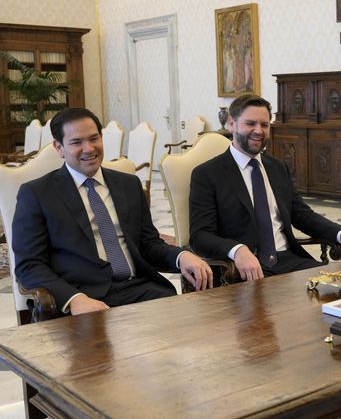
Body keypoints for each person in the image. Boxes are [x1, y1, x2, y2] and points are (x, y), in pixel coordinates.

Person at [13, 108, 213, 316]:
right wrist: (74, 300)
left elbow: (148, 244)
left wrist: (182, 256)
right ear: (59, 147)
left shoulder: (128, 184)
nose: (89, 148)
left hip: (141, 291)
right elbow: (29, 265)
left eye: (94, 138)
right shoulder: (37, 194)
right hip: (84, 298)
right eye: (76, 142)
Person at [189, 94, 341, 281]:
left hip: (290, 261)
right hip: (245, 268)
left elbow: (302, 215)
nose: (259, 131)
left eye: (264, 125)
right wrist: (236, 250)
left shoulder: (277, 167)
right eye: (250, 124)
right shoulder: (207, 174)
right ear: (232, 123)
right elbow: (200, 236)